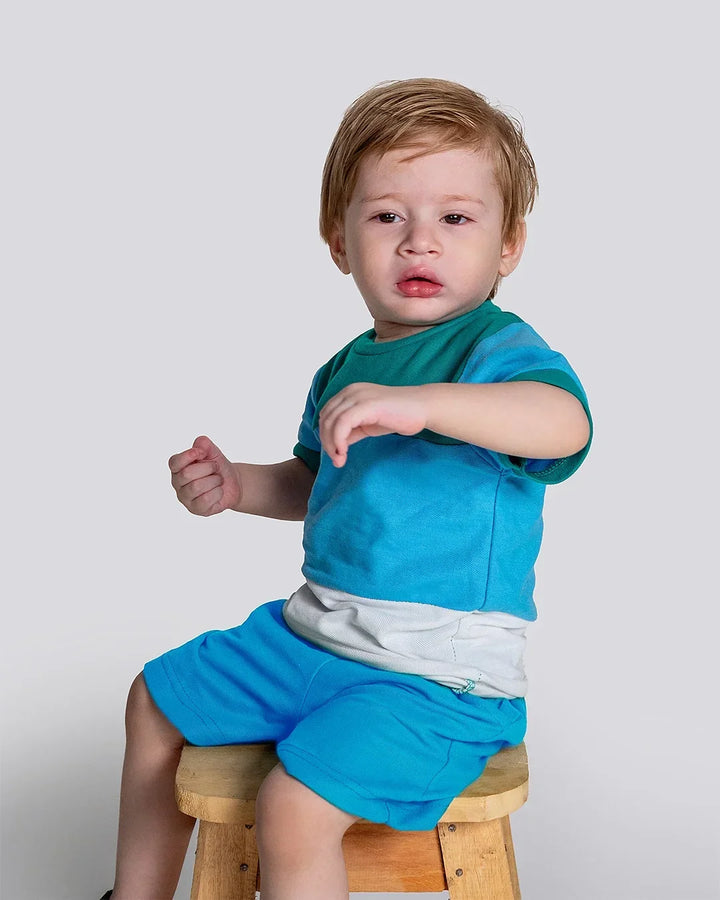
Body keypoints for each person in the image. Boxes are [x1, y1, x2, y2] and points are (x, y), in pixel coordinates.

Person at [105, 77, 592, 900]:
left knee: (290, 808)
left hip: (437, 677)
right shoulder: (346, 367)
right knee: (155, 698)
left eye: (455, 218)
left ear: (508, 245)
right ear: (339, 242)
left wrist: (426, 404)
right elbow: (315, 479)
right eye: (386, 216)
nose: (419, 242)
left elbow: (563, 425)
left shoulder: (495, 351)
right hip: (313, 639)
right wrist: (235, 486)